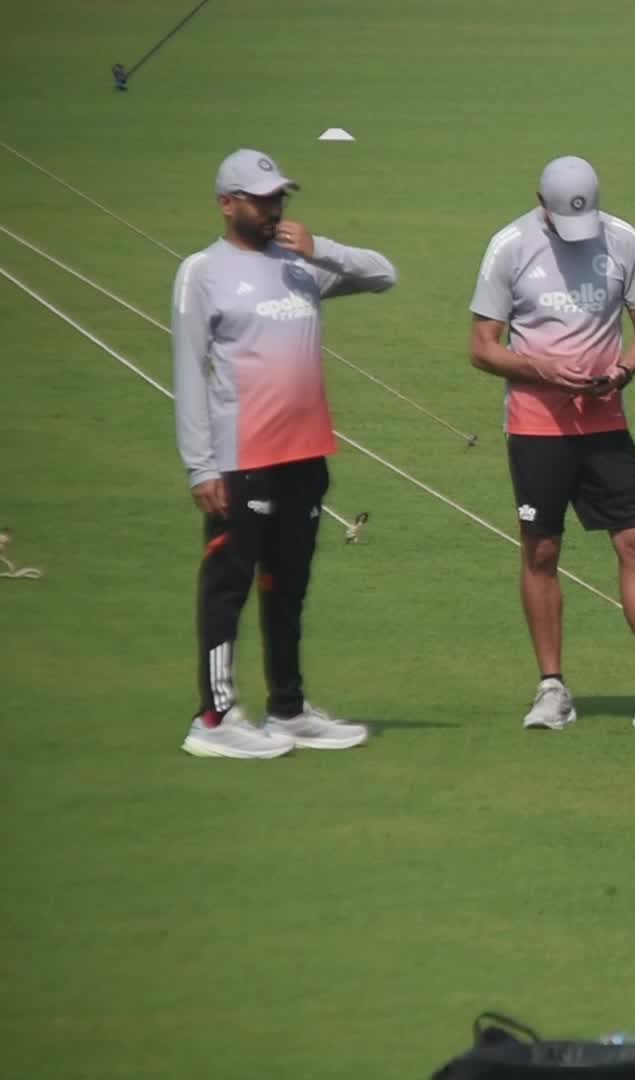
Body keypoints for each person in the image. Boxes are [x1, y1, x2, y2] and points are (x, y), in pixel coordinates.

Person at [468, 156, 635, 734]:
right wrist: (538, 369)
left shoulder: (622, 240)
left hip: (605, 422)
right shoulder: (510, 246)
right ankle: (551, 689)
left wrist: (626, 368)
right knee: (541, 551)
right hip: (536, 426)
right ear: (541, 200)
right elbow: (482, 346)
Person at [172, 148, 397, 759]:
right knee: (229, 583)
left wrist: (321, 247)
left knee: (288, 583)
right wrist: (201, 465)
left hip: (305, 453)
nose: (274, 208)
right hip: (240, 456)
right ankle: (214, 719)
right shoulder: (203, 271)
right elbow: (189, 372)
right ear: (227, 203)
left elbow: (384, 273)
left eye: (279, 198)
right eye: (261, 198)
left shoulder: (302, 266)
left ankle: (288, 709)